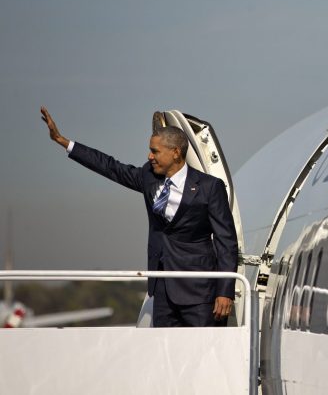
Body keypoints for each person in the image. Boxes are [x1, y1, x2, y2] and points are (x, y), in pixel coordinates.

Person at [40, 106, 239, 327]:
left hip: (201, 293)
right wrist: (64, 142)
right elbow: (111, 167)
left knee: (203, 357)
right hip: (163, 291)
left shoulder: (210, 187)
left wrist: (225, 291)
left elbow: (226, 242)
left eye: (155, 151)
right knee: (165, 357)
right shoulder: (148, 177)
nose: (149, 156)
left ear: (175, 152)